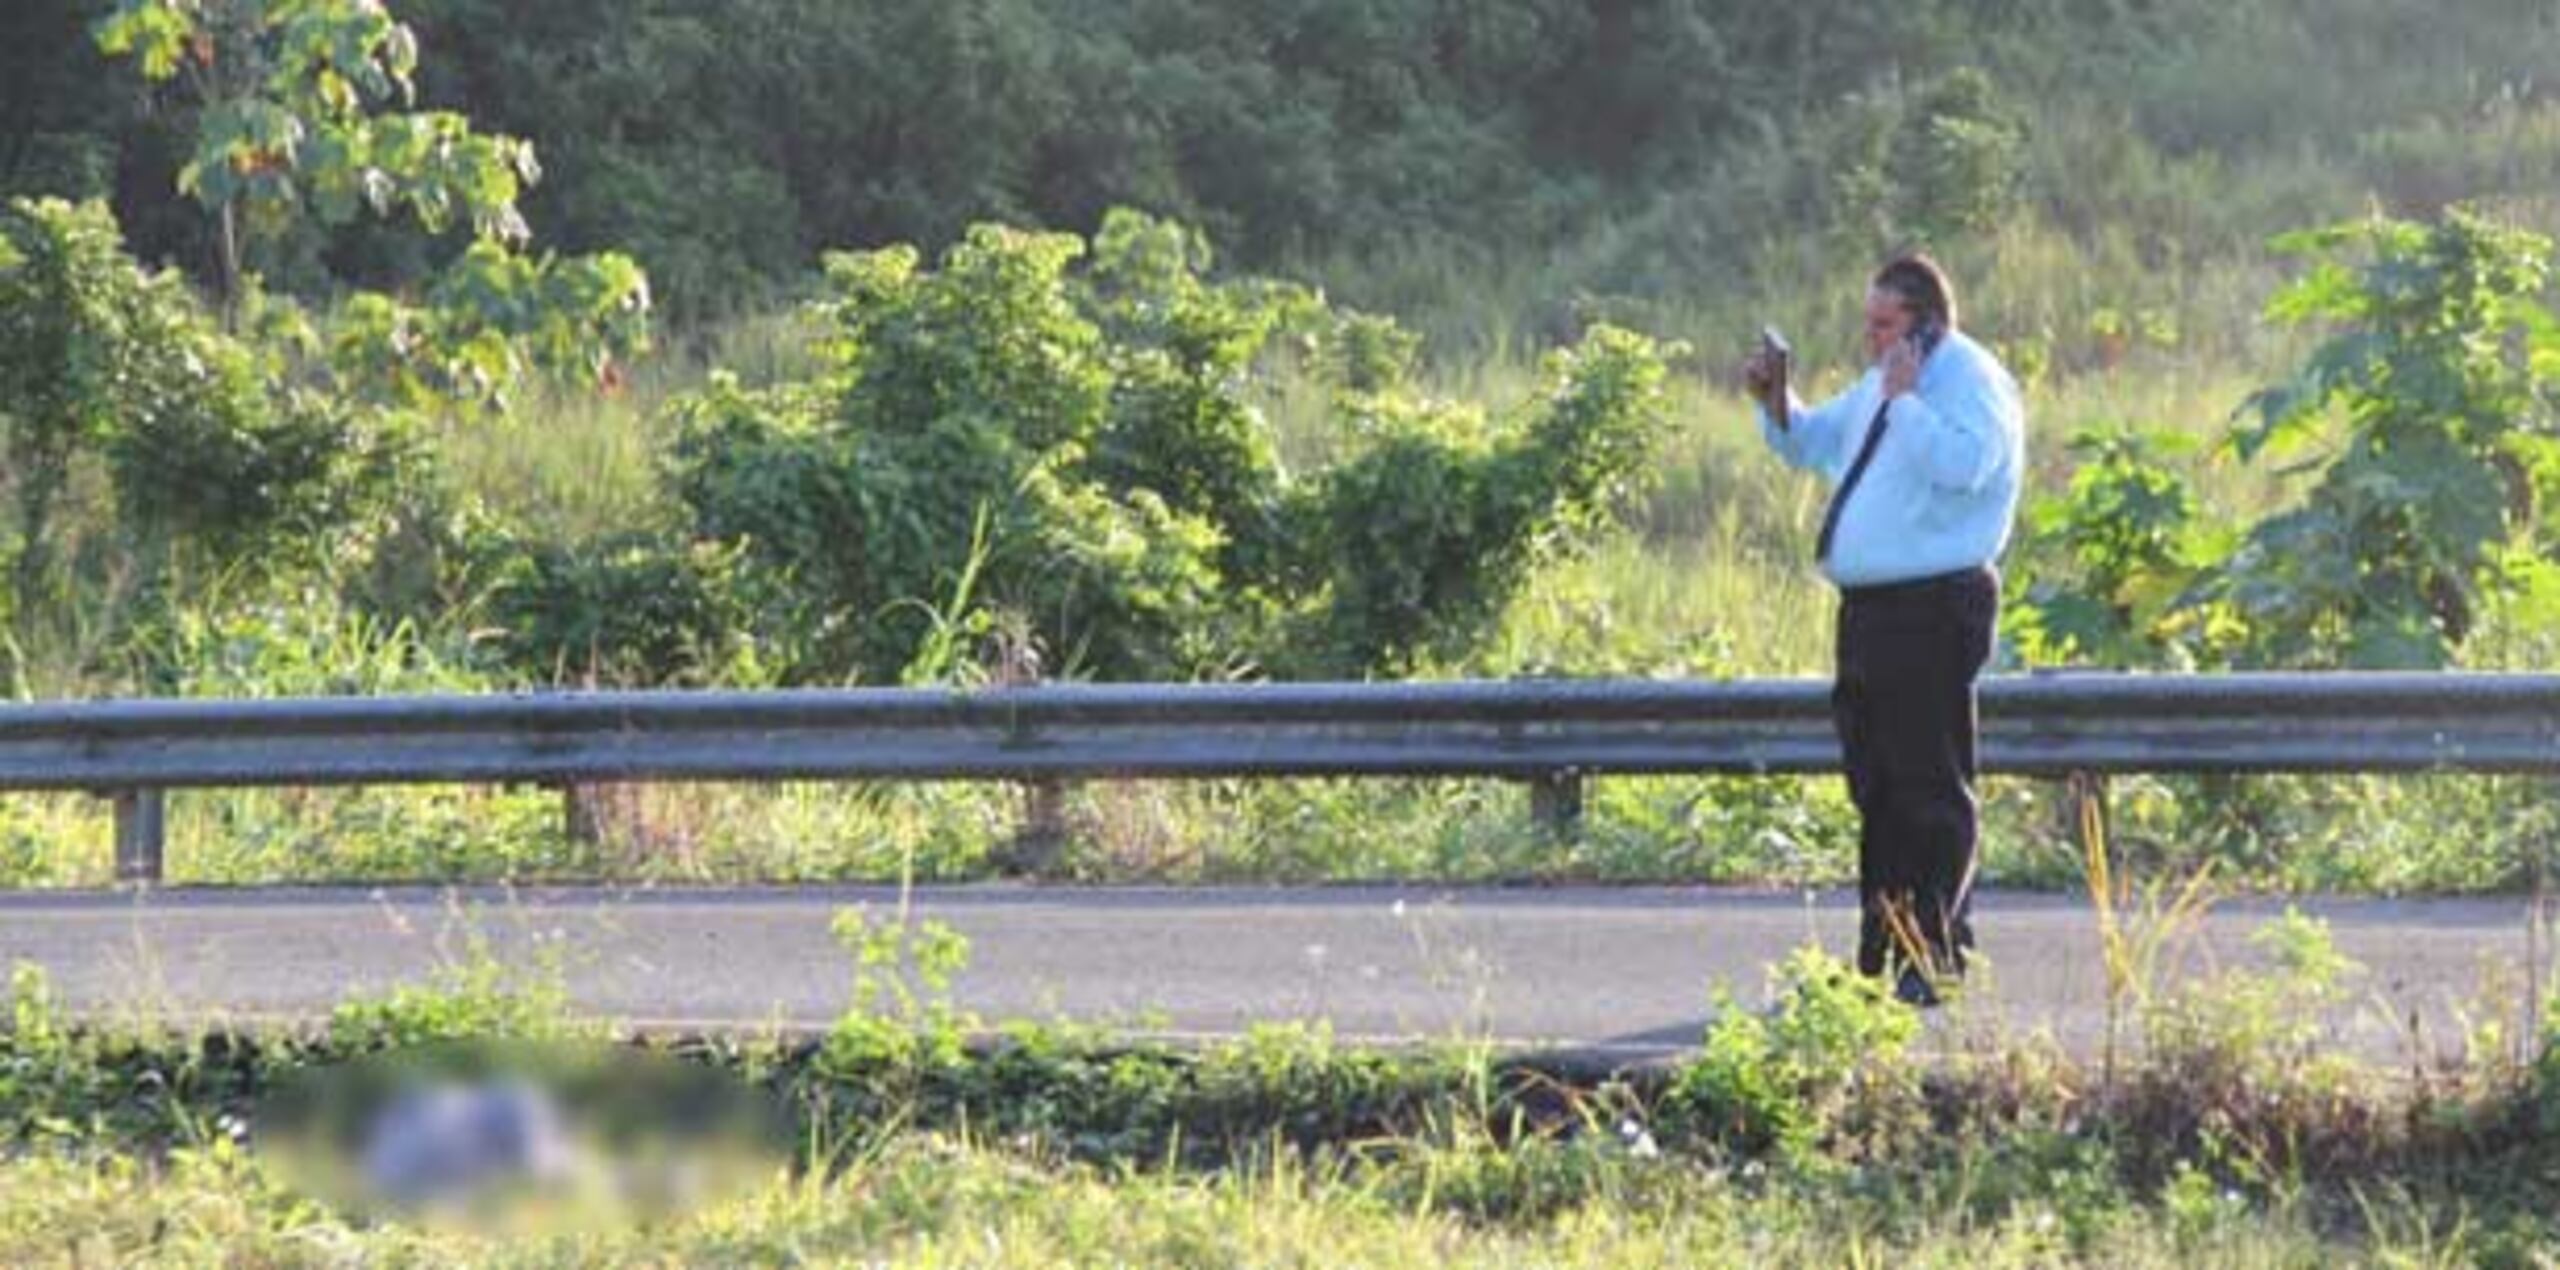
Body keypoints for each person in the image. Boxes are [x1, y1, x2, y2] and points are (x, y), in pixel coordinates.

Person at [1739, 253, 2025, 1006]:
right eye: (1868, 324)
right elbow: (1815, 442)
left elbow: (1968, 466)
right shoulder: (1884, 385)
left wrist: (1906, 402)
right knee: (1879, 786)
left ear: (1925, 325)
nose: (1870, 338)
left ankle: (1936, 958)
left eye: (1884, 324)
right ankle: (1883, 954)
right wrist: (1776, 400)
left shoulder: (1970, 382)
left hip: (1934, 604)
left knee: (1930, 784)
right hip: (1872, 612)